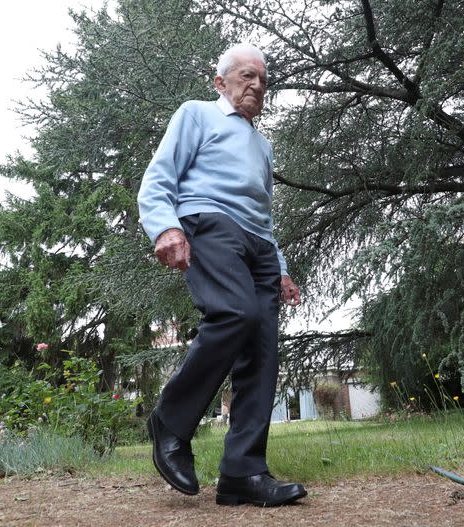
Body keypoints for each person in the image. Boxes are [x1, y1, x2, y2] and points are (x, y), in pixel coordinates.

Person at [137, 43, 307, 507]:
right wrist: (165, 226)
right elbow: (158, 178)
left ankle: (242, 474)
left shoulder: (263, 146)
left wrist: (282, 270)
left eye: (263, 80)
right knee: (233, 311)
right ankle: (171, 421)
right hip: (209, 222)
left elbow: (264, 216)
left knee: (262, 347)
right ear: (221, 82)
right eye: (246, 76)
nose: (256, 85)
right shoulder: (197, 115)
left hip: (258, 246)